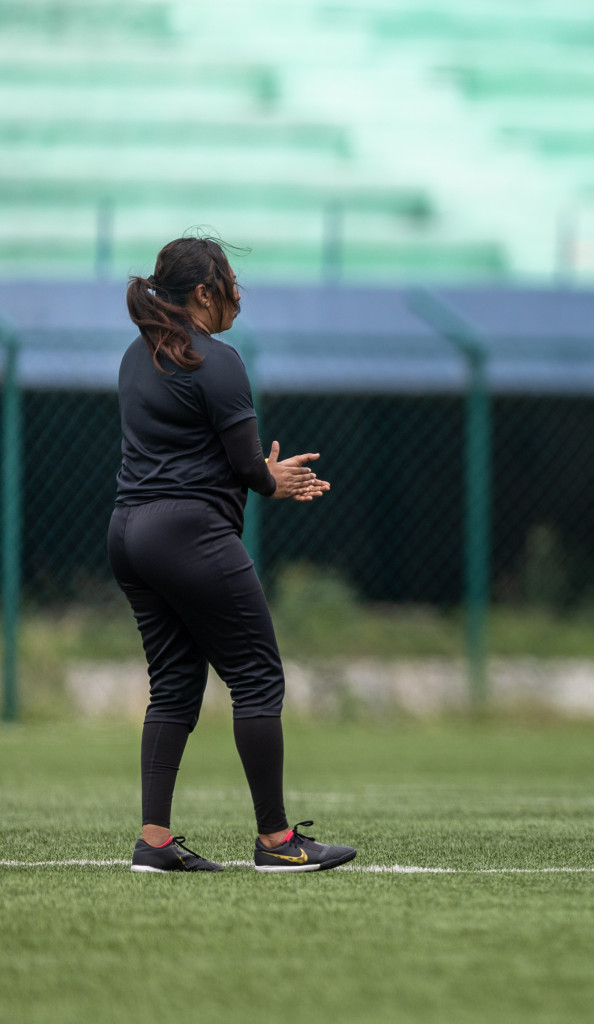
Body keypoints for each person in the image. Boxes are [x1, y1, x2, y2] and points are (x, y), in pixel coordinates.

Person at [113, 235, 356, 873]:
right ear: (202, 293)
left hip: (129, 533)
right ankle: (277, 842)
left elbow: (199, 456)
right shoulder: (218, 362)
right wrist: (275, 478)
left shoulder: (135, 360)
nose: (238, 295)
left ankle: (155, 841)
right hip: (190, 535)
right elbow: (250, 469)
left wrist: (258, 473)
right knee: (257, 677)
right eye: (229, 283)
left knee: (173, 685)